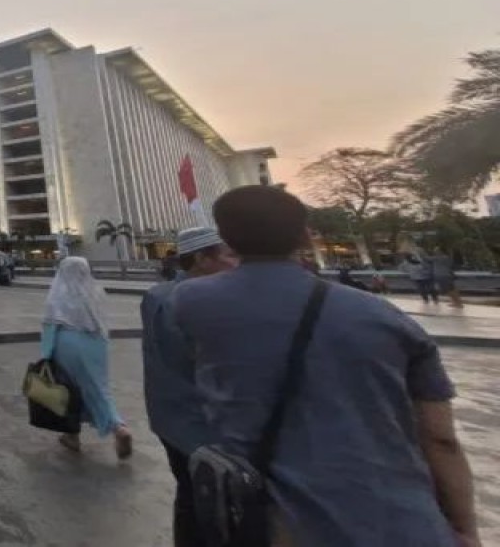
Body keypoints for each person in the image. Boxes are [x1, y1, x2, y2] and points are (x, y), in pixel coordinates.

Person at [173, 186, 479, 546]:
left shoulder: (192, 302)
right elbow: (440, 439)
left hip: (276, 522)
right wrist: (465, 528)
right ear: (305, 235)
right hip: (395, 518)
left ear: (227, 240)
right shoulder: (386, 319)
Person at [138, 227, 238, 546]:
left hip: (168, 415)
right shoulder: (190, 302)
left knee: (189, 495)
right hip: (198, 421)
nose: (234, 263)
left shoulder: (157, 294)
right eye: (227, 255)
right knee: (207, 500)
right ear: (200, 259)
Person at [41, 256, 132, 458]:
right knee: (98, 387)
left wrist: (45, 354)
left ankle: (72, 435)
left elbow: (50, 324)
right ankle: (118, 427)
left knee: (68, 390)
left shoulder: (59, 293)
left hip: (67, 343)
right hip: (96, 343)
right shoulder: (95, 291)